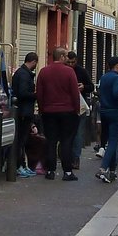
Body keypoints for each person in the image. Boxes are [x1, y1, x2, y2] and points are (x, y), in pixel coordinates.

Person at [35, 47, 81, 181]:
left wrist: (42, 109)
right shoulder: (69, 72)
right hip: (67, 111)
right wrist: (76, 110)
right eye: (66, 56)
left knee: (51, 141)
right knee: (66, 141)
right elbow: (74, 93)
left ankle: (50, 171)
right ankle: (67, 172)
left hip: (49, 112)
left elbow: (39, 93)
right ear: (61, 57)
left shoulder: (43, 72)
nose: (67, 58)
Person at [95, 56, 118, 183]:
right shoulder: (117, 77)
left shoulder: (104, 77)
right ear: (116, 65)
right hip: (115, 111)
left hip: (104, 110)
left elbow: (102, 91)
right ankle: (103, 168)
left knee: (109, 140)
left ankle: (112, 170)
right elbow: (117, 93)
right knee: (113, 141)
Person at [10, 52, 38, 179]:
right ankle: (19, 166)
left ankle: (22, 165)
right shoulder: (24, 75)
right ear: (33, 62)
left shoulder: (22, 73)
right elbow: (22, 93)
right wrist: (36, 94)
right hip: (23, 111)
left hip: (24, 111)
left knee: (22, 139)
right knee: (21, 140)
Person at [65, 49, 95, 158]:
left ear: (76, 61)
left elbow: (91, 86)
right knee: (69, 131)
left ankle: (75, 157)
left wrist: (84, 87)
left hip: (80, 103)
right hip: (67, 104)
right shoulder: (63, 71)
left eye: (73, 62)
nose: (71, 65)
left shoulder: (81, 71)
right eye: (68, 62)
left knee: (78, 131)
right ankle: (68, 155)